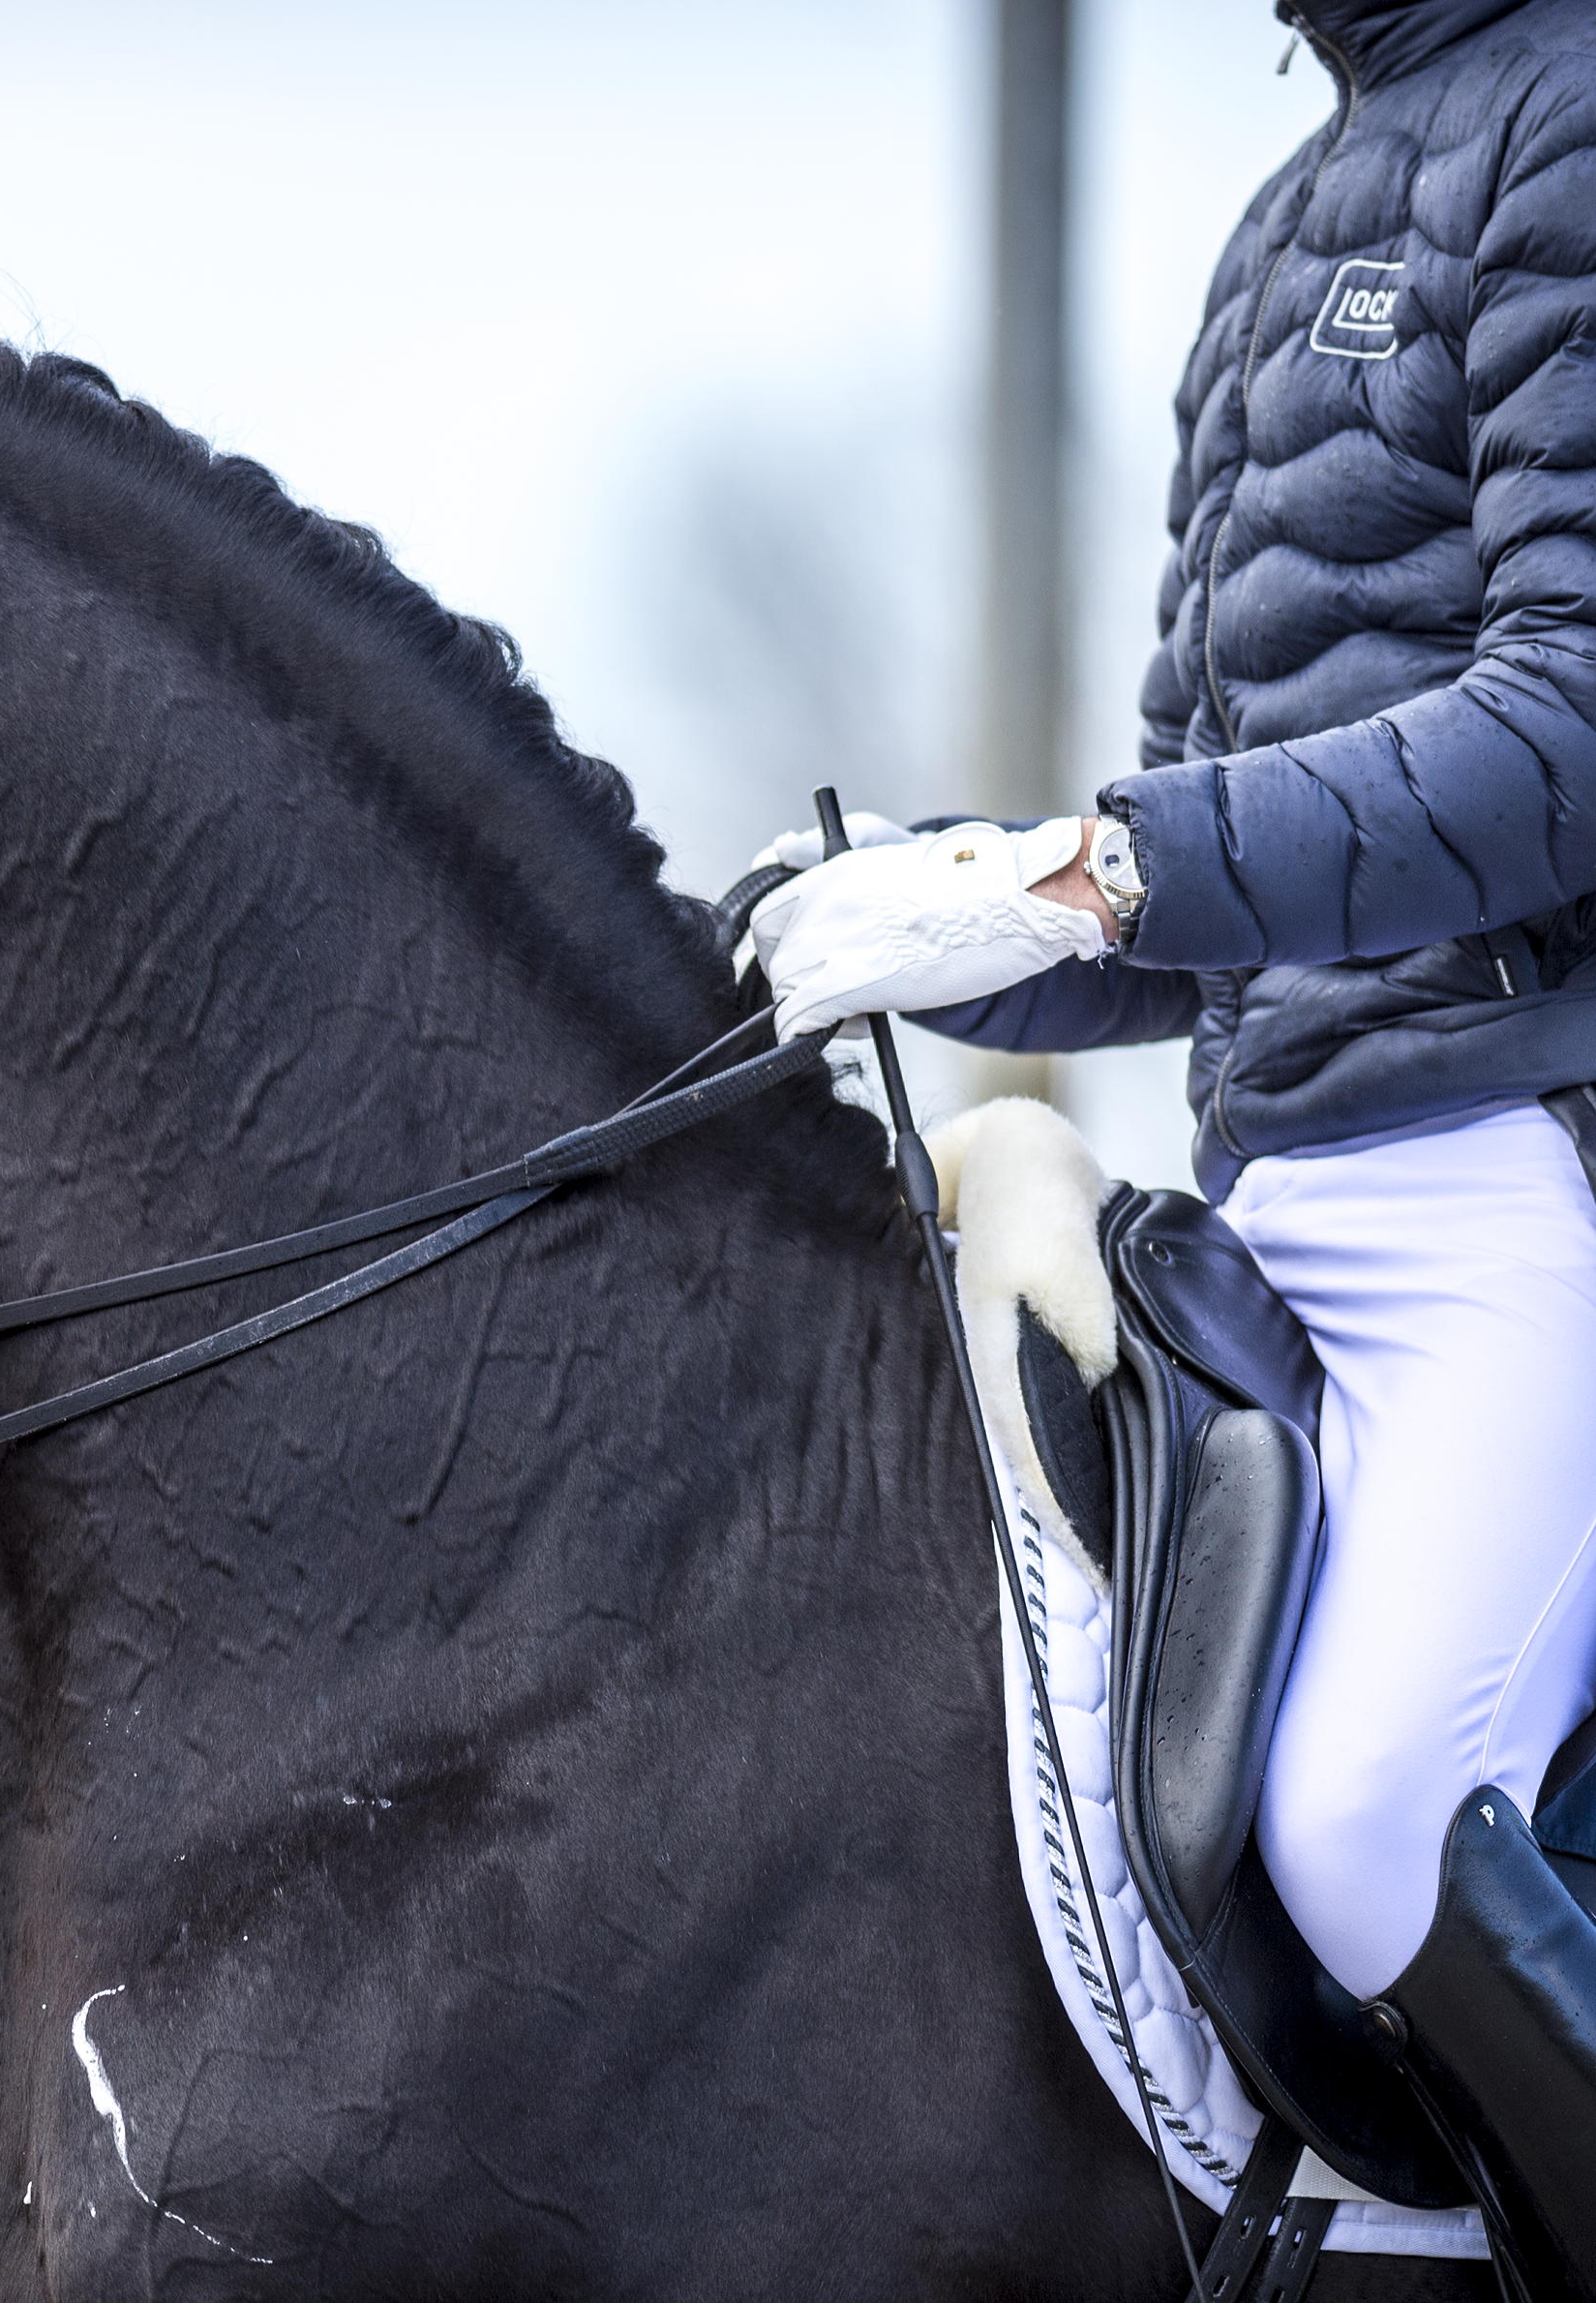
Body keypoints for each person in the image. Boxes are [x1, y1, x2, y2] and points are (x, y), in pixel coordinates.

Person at [750, 0, 1596, 2276]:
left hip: (1520, 1163)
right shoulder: (1264, 243)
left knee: (1360, 1814)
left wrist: (1075, 870)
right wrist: (904, 917)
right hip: (1277, 1191)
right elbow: (1190, 902)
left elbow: (1563, 724)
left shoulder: (1573, 113)